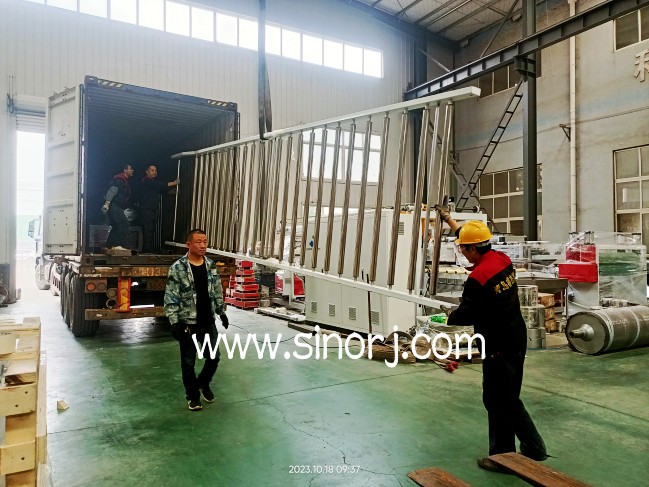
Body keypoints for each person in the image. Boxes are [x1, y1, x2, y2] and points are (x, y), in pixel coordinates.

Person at [434, 206, 547, 473]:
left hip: (497, 346)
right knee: (508, 397)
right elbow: (468, 236)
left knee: (497, 401)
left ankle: (504, 457)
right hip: (516, 338)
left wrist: (447, 317)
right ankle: (533, 448)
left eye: (463, 249)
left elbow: (466, 314)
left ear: (473, 249)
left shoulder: (478, 279)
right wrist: (449, 219)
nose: (461, 252)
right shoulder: (502, 260)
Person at [164, 229, 229, 411]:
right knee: (188, 363)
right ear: (188, 244)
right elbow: (171, 296)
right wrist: (174, 322)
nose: (202, 245)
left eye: (205, 242)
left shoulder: (210, 265)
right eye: (198, 242)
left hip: (207, 321)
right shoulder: (178, 268)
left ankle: (203, 383)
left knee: (214, 357)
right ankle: (193, 397)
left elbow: (217, 289)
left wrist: (221, 312)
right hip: (188, 323)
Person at [139, 165, 179, 253]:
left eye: (155, 171)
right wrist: (174, 183)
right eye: (152, 170)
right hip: (146, 209)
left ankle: (148, 248)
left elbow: (159, 189)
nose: (155, 172)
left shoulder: (151, 182)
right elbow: (159, 184)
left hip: (151, 209)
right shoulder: (146, 180)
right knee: (148, 229)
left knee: (150, 229)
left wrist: (170, 192)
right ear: (147, 172)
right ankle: (147, 249)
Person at [101, 164, 134, 251]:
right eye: (130, 169)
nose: (132, 171)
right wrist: (107, 203)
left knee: (116, 226)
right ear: (125, 170)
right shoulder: (120, 180)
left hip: (115, 206)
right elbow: (112, 191)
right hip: (115, 206)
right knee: (124, 224)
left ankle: (108, 246)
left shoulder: (123, 180)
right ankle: (116, 245)